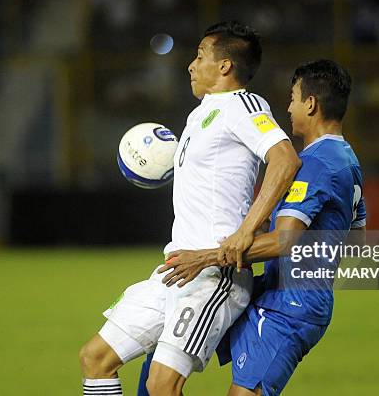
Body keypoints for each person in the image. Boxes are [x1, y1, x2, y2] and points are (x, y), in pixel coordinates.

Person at [79, 21, 300, 396]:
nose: (191, 65)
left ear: (225, 66)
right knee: (95, 359)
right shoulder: (200, 114)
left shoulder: (243, 105)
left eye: (200, 56)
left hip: (212, 275)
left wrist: (247, 230)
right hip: (175, 269)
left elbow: (284, 159)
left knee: (162, 385)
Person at [157, 59, 366, 395]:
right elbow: (356, 239)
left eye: (294, 98)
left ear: (311, 104)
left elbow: (284, 241)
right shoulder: (348, 160)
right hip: (276, 294)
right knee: (165, 348)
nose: (288, 107)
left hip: (289, 307)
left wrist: (205, 257)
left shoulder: (317, 163)